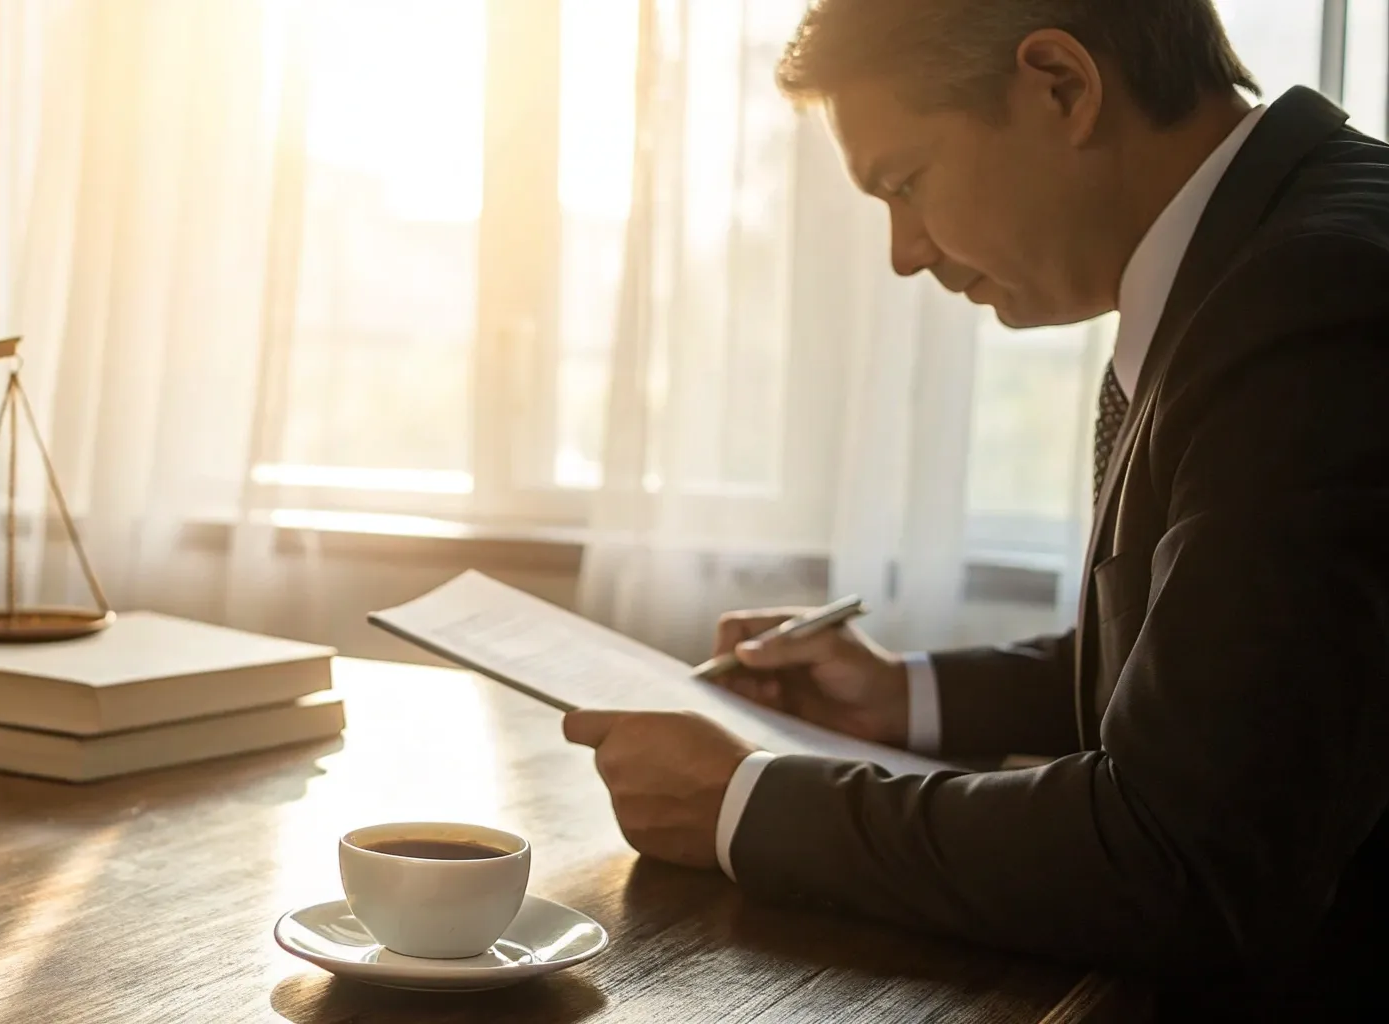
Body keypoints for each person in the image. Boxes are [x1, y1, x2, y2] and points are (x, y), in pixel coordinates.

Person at [560, 0, 1389, 1015]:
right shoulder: (1251, 260)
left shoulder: (1314, 296)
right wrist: (899, 694)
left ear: (1060, 86)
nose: (903, 252)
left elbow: (1183, 857)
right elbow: (1226, 686)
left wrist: (740, 802)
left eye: (902, 184)